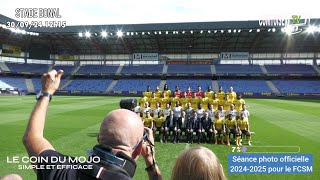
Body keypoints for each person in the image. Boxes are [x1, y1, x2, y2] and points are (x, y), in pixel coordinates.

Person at [23, 70, 162, 180]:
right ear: (139, 150)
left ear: (98, 139)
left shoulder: (61, 170)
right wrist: (150, 160)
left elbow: (32, 138)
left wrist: (46, 92)